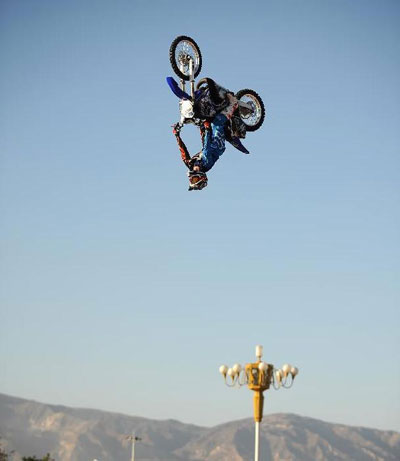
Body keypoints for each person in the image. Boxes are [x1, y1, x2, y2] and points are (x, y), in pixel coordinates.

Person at [172, 93, 240, 191]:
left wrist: (177, 135)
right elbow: (206, 147)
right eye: (195, 179)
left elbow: (183, 151)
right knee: (217, 123)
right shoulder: (206, 163)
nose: (192, 178)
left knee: (200, 117)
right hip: (217, 146)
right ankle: (233, 104)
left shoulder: (190, 164)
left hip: (208, 142)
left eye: (191, 180)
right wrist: (207, 129)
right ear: (201, 177)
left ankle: (208, 100)